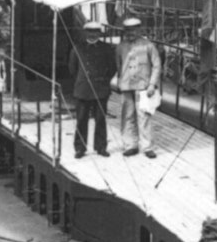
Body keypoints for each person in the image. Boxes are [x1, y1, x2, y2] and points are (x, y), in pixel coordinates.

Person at [66, 20, 116, 158]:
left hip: (101, 89)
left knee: (100, 119)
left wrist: (103, 80)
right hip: (83, 89)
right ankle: (80, 148)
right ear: (85, 32)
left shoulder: (106, 48)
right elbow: (72, 69)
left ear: (99, 34)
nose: (93, 35)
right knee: (81, 119)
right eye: (90, 32)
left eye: (95, 32)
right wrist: (82, 80)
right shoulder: (78, 48)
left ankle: (100, 147)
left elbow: (112, 67)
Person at [115, 14, 163, 157]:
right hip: (126, 86)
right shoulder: (120, 47)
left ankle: (147, 147)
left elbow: (157, 65)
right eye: (128, 30)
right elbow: (118, 66)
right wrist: (119, 82)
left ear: (139, 30)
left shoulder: (148, 45)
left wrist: (152, 84)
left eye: (134, 30)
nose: (131, 33)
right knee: (127, 116)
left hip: (143, 86)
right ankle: (130, 145)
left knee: (144, 116)